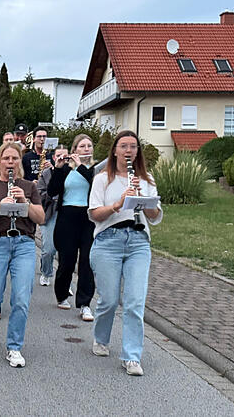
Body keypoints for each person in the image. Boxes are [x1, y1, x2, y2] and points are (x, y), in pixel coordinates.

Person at [88, 130, 162, 376]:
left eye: (133, 146)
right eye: (124, 146)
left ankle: (131, 356)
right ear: (115, 151)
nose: (129, 150)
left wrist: (143, 201)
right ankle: (101, 338)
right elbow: (95, 214)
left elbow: (155, 215)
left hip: (138, 241)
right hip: (108, 239)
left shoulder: (146, 179)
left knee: (134, 301)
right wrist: (118, 204)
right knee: (109, 300)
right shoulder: (102, 179)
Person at [0, 142, 44, 368]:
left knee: (21, 298)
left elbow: (40, 218)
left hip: (23, 243)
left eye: (14, 158)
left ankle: (14, 347)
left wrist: (24, 201)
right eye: (6, 158)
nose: (10, 163)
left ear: (20, 162)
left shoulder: (29, 187)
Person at [49, 135, 97, 321]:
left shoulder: (95, 169)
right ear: (74, 149)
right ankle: (62, 294)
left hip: (88, 218)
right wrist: (59, 169)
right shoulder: (67, 168)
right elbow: (53, 191)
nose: (86, 149)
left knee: (86, 262)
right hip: (67, 217)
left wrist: (81, 167)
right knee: (67, 261)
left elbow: (94, 185)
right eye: (82, 146)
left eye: (89, 146)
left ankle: (85, 303)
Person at [35, 145, 69, 287]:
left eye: (65, 156)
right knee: (49, 248)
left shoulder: (72, 172)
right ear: (54, 158)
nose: (62, 158)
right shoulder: (47, 173)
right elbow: (39, 192)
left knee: (66, 251)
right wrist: (50, 196)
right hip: (50, 212)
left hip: (66, 212)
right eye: (59, 155)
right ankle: (46, 272)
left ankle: (64, 283)